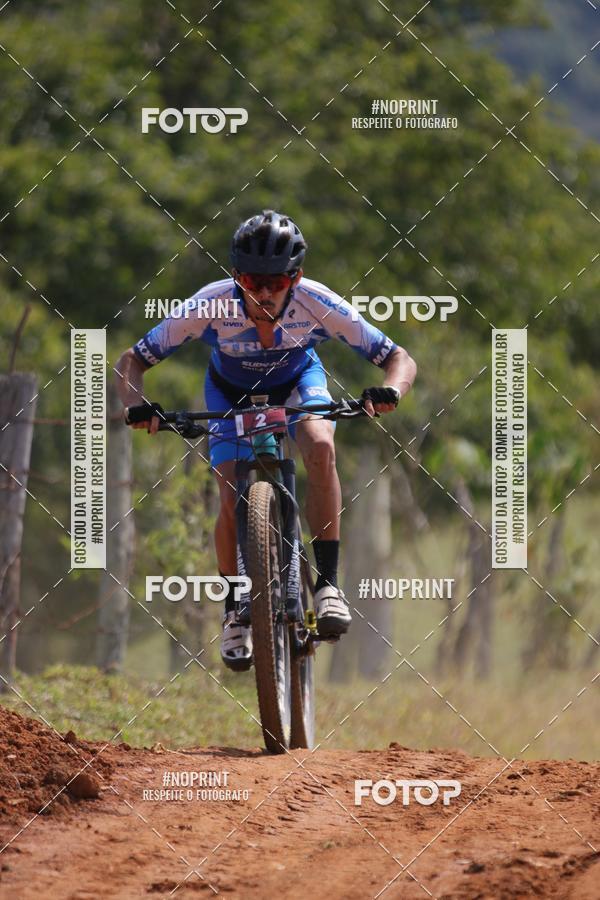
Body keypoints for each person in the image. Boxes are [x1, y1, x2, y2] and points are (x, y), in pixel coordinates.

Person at [116, 210, 416, 670]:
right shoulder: (209, 304)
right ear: (237, 276)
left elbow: (398, 357)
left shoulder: (318, 302)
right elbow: (132, 361)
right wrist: (137, 405)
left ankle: (329, 585)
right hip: (228, 393)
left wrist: (391, 389)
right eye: (254, 279)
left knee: (319, 445)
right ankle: (237, 609)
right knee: (229, 487)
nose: (265, 292)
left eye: (277, 280)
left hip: (298, 382)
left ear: (296, 277)